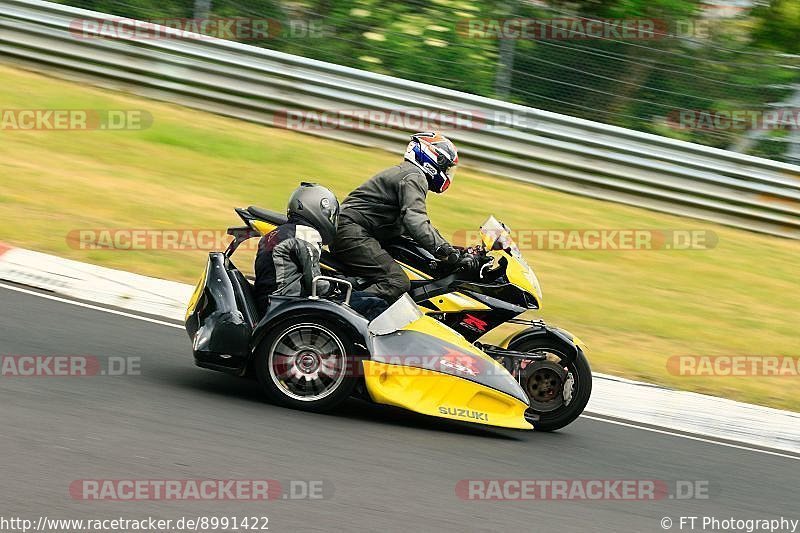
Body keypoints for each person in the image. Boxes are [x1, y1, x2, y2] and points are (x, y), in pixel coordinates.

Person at [331, 131, 478, 303]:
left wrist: (455, 250)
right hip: (352, 232)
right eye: (446, 167)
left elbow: (415, 226)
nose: (447, 173)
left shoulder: (410, 174)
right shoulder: (414, 177)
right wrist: (447, 253)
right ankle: (338, 318)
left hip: (354, 230)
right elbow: (416, 222)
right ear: (432, 158)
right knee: (396, 282)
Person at [254, 182, 388, 320]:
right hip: (286, 307)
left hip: (270, 303)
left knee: (360, 298)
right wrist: (340, 286)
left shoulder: (276, 233)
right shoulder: (307, 234)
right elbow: (316, 283)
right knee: (374, 303)